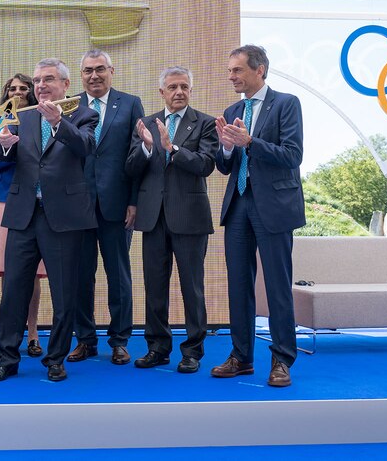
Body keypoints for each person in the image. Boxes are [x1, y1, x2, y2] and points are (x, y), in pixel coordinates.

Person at [0, 58, 98, 383]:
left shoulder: (85, 115)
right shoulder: (25, 116)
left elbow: (86, 147)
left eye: (47, 79)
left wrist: (61, 123)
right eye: (37, 80)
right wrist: (3, 146)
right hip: (23, 215)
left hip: (62, 218)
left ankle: (55, 359)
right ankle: (7, 358)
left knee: (64, 294)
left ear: (65, 84)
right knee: (13, 292)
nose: (40, 86)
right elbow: (2, 155)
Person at [212, 45, 305, 388]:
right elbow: (224, 166)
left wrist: (250, 142)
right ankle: (242, 357)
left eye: (237, 70)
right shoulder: (232, 109)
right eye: (230, 71)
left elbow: (292, 155)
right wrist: (225, 146)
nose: (231, 76)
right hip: (238, 205)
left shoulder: (286, 104)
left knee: (278, 287)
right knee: (238, 286)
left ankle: (282, 359)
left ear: (260, 70)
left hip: (274, 208)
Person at [125, 66, 217, 374]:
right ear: (162, 92)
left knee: (192, 287)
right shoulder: (146, 123)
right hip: (153, 217)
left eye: (184, 87)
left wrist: (172, 148)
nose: (179, 92)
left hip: (189, 217)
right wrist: (148, 147)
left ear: (191, 90)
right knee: (154, 286)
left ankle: (192, 351)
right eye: (173, 87)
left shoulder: (204, 123)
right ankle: (157, 348)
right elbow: (131, 168)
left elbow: (206, 165)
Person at [69, 49, 144, 366]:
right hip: (77, 207)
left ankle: (120, 341)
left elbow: (139, 153)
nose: (94, 75)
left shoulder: (130, 103)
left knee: (119, 276)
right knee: (79, 278)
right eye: (88, 70)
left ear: (112, 71)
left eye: (100, 69)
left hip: (117, 205)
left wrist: (135, 200)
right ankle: (85, 340)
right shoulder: (69, 106)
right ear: (81, 74)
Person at [0, 74, 48, 357]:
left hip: (35, 200)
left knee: (32, 271)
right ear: (5, 92)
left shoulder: (43, 119)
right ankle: (10, 334)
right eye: (13, 88)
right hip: (1, 199)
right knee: (8, 272)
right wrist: (6, 144)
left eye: (24, 88)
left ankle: (33, 333)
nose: (19, 92)